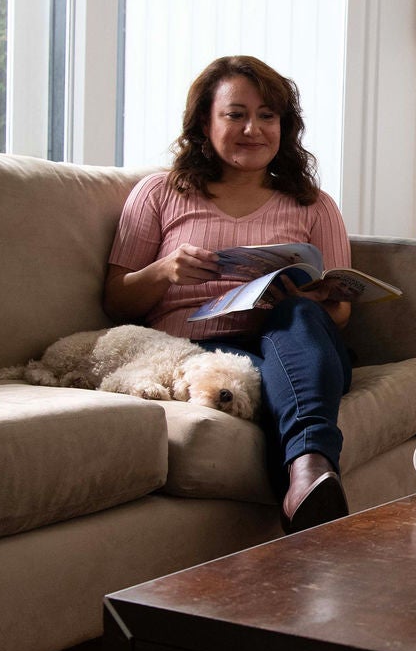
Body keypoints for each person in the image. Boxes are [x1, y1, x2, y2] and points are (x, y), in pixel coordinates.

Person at [104, 55, 355, 533]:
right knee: (270, 378)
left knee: (300, 316)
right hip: (196, 351)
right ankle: (310, 475)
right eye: (235, 114)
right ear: (205, 121)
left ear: (284, 126)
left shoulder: (314, 205)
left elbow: (339, 314)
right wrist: (162, 272)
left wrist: (321, 300)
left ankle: (308, 472)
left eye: (267, 116)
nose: (252, 129)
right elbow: (116, 302)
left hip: (295, 346)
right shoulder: (159, 193)